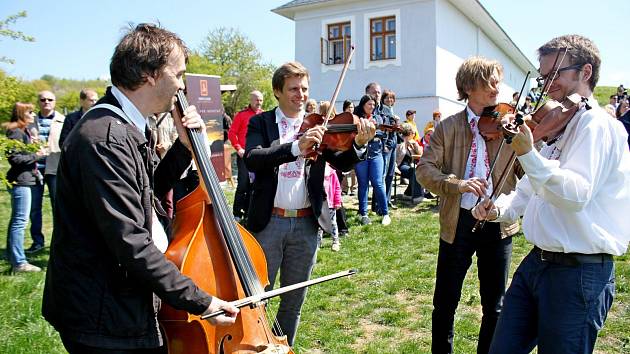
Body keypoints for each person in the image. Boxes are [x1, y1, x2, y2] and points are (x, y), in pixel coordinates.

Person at [42, 23, 238, 353]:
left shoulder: (127, 125)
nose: (181, 87)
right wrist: (202, 302)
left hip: (121, 301)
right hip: (103, 316)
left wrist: (183, 148)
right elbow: (129, 241)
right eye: (178, 75)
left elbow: (147, 195)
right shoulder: (106, 138)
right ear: (150, 73)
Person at [472, 34, 630, 354]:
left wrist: (529, 154)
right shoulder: (560, 124)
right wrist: (499, 209)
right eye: (543, 76)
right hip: (536, 265)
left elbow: (576, 196)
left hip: (578, 272)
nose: (546, 84)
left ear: (585, 72)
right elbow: (531, 188)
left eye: (555, 74)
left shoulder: (598, 126)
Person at [244, 61, 375, 345]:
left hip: (306, 223)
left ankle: (284, 348)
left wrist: (359, 146)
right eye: (293, 88)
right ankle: (255, 348)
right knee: (257, 298)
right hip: (268, 222)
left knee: (293, 301)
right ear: (277, 91)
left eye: (304, 88)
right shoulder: (262, 122)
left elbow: (339, 163)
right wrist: (295, 147)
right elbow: (253, 157)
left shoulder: (321, 124)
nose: (300, 94)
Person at [416, 56, 522, 354]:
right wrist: (457, 184)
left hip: (498, 224)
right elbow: (425, 169)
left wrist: (527, 143)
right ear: (469, 86)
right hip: (458, 222)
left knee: (495, 305)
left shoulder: (507, 125)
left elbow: (527, 173)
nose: (495, 87)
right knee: (445, 302)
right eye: (489, 81)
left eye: (497, 81)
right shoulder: (448, 127)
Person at [3, 103, 47, 273]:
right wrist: (38, 155)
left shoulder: (24, 131)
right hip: (21, 182)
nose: (33, 114)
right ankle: (19, 262)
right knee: (20, 221)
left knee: (18, 220)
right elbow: (15, 159)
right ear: (22, 114)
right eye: (30, 112)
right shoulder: (16, 132)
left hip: (28, 180)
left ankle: (12, 255)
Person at [27, 90, 65, 254]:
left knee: (58, 207)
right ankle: (37, 241)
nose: (46, 102)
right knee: (34, 208)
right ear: (38, 101)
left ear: (55, 102)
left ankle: (60, 242)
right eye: (43, 99)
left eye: (50, 99)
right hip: (34, 169)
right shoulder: (30, 122)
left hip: (54, 168)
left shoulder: (62, 120)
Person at [354, 94, 391, 226]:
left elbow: (383, 133)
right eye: (369, 104)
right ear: (363, 105)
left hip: (376, 155)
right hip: (361, 156)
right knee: (363, 184)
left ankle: (385, 213)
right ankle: (363, 214)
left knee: (378, 183)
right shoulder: (357, 119)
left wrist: (374, 129)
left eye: (374, 104)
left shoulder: (378, 118)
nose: (372, 106)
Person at [227, 90, 263, 222]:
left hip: (258, 156)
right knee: (243, 185)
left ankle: (249, 213)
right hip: (244, 156)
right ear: (251, 100)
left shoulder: (263, 115)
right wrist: (238, 148)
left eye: (261, 100)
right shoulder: (241, 115)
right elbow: (232, 133)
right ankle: (237, 214)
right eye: (257, 100)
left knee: (256, 186)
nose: (259, 102)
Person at [380, 89, 399, 210]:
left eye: (392, 98)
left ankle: (388, 199)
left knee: (390, 174)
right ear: (383, 99)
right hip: (386, 146)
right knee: (383, 175)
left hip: (393, 146)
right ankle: (381, 203)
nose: (389, 100)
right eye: (387, 98)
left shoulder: (392, 112)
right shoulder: (382, 112)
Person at [396, 123, 424, 203]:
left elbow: (420, 154)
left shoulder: (412, 142)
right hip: (399, 165)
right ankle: (417, 196)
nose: (414, 135)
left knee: (416, 171)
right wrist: (405, 143)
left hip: (408, 165)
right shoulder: (400, 141)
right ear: (410, 133)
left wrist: (415, 144)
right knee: (414, 172)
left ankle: (408, 194)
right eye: (413, 133)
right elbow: (396, 155)